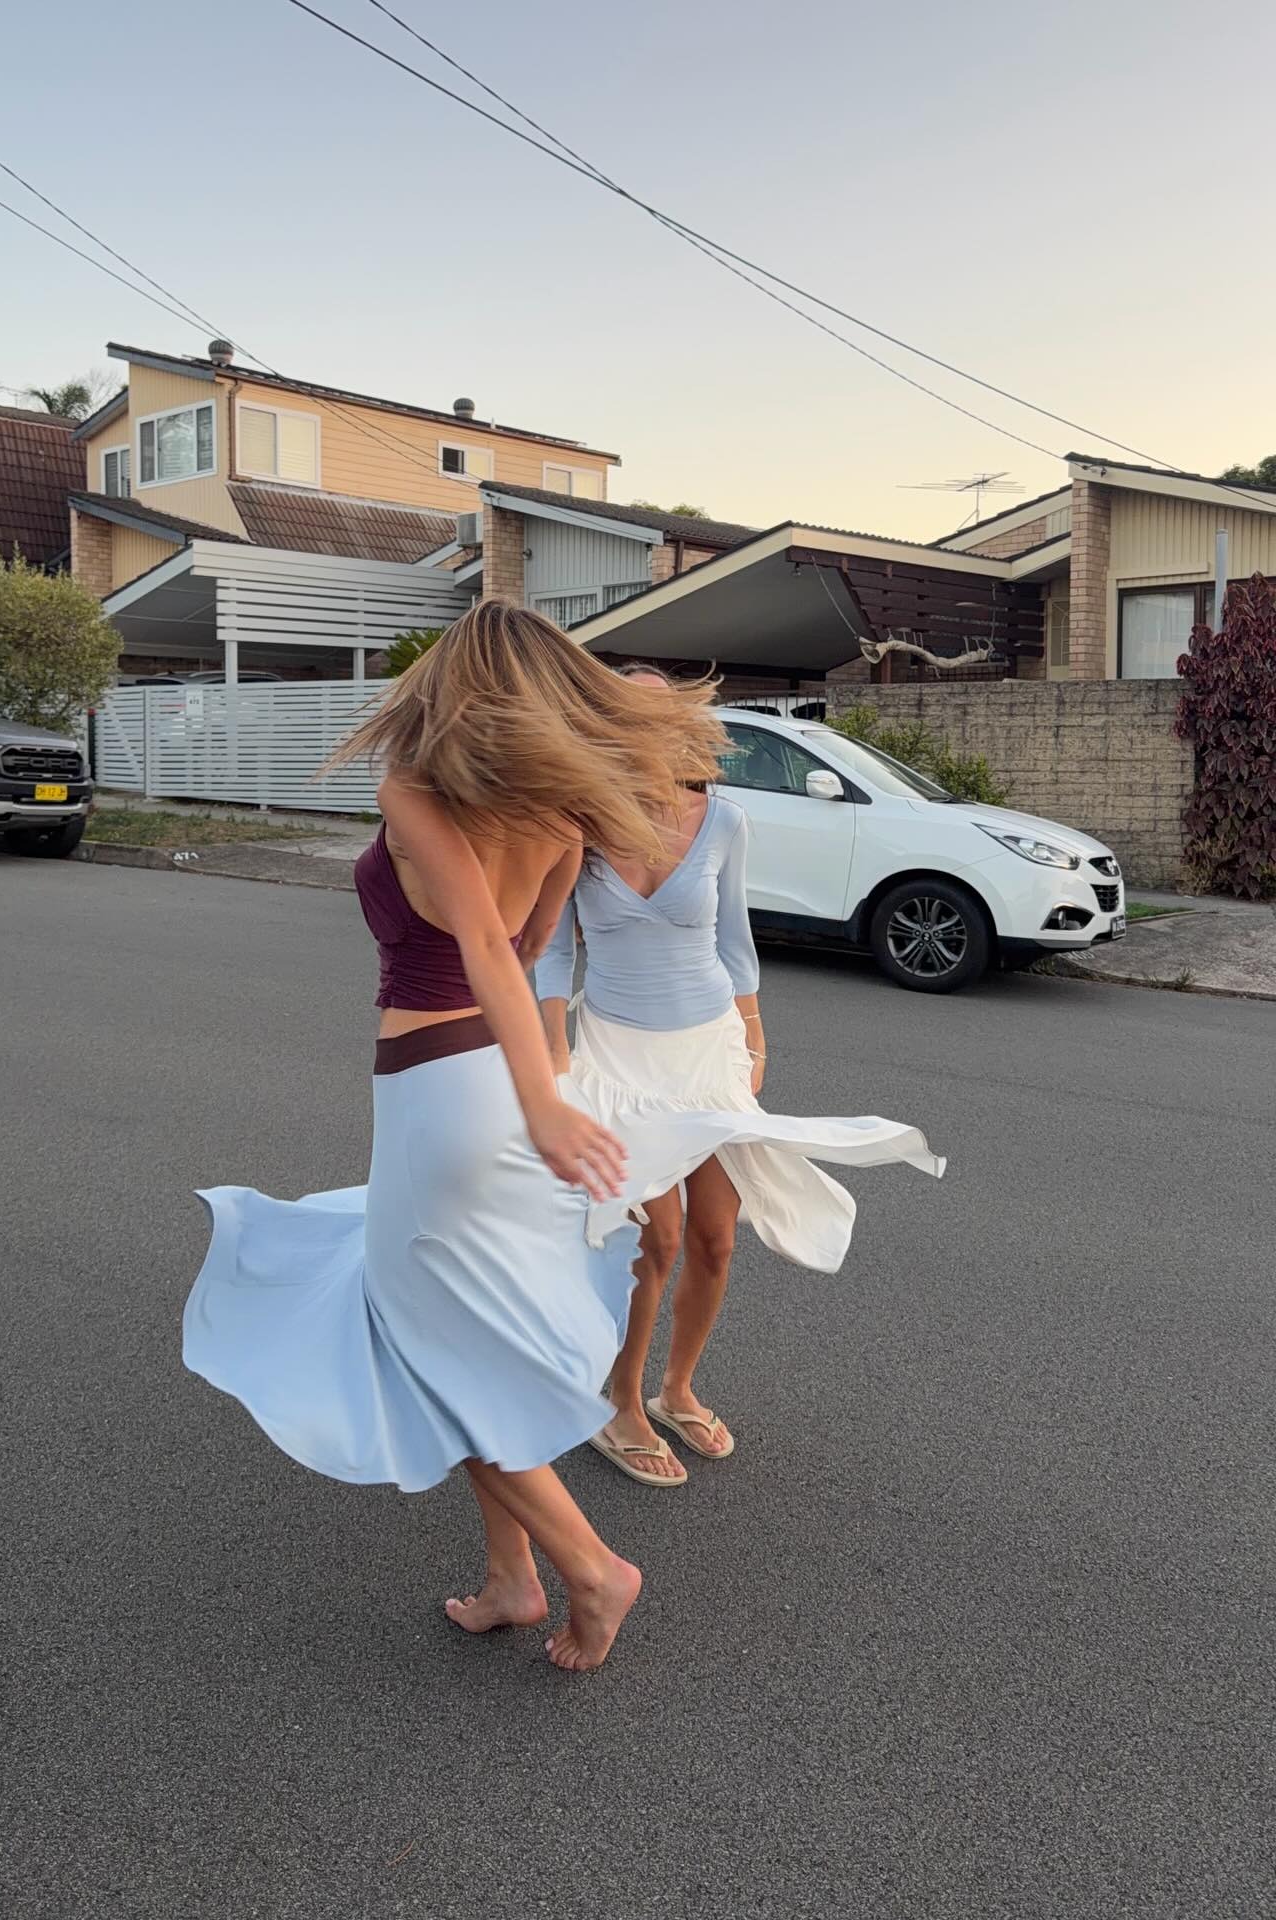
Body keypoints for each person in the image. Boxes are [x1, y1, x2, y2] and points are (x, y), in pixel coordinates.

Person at [183, 601, 733, 1672]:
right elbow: (528, 949)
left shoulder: (412, 790)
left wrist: (542, 1101)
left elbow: (483, 939)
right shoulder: (564, 812)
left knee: (418, 1348)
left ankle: (589, 1567)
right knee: (460, 1333)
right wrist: (542, 1087)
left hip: (446, 1091)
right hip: (500, 1079)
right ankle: (511, 1579)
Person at [531, 664, 942, 1489]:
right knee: (659, 1236)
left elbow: (734, 941)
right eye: (622, 719)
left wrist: (755, 1041)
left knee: (717, 1236)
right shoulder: (576, 825)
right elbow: (553, 949)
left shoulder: (723, 821)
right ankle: (620, 1403)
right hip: (617, 1056)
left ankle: (677, 1387)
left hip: (709, 1050)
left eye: (658, 719)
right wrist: (556, 1061)